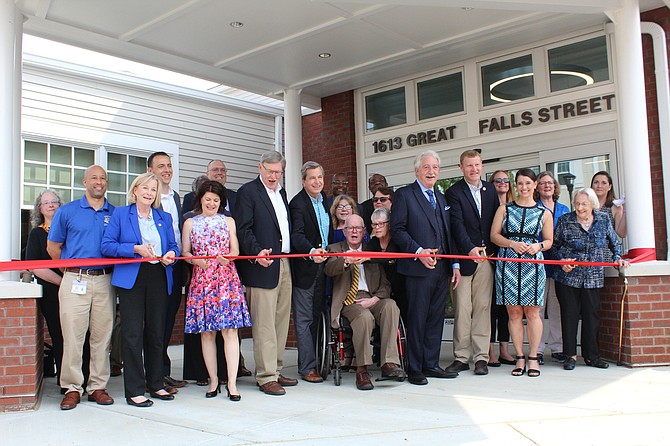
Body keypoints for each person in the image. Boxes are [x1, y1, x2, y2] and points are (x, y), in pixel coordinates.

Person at [101, 173, 179, 407]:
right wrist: (135, 249)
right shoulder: (121, 214)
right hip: (132, 278)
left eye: (153, 189)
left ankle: (155, 384)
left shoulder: (162, 217)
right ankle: (134, 389)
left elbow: (173, 246)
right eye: (145, 188)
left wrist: (171, 256)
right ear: (135, 190)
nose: (149, 192)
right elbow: (107, 246)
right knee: (133, 334)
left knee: (156, 332)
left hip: (158, 276)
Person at [47, 165, 116, 411]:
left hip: (105, 281)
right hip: (75, 281)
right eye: (94, 178)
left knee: (102, 337)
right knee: (73, 337)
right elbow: (53, 247)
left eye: (103, 178)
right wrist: (70, 271)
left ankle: (97, 386)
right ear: (85, 182)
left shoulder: (114, 212)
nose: (99, 182)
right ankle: (72, 388)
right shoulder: (67, 212)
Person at [391, 150, 461, 385]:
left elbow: (447, 232)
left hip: (441, 269)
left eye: (435, 167)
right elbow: (398, 230)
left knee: (435, 319)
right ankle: (415, 368)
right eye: (427, 167)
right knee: (418, 319)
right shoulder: (404, 195)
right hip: (417, 269)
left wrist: (454, 263)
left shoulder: (440, 198)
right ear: (417, 170)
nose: (432, 171)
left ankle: (431, 364)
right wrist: (418, 252)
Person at [234, 151, 298, 396]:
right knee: (264, 325)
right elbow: (243, 229)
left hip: (284, 263)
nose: (273, 176)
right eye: (269, 171)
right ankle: (265, 375)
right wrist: (257, 252)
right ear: (259, 167)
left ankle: (276, 368)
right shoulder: (248, 192)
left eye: (278, 172)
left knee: (281, 321)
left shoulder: (281, 193)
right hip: (261, 264)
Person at [182, 180, 251, 401]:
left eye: (216, 200)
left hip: (226, 279)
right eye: (208, 199)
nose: (211, 203)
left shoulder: (228, 221)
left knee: (230, 332)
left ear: (221, 202)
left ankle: (231, 382)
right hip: (202, 281)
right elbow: (185, 252)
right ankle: (213, 380)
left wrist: (227, 257)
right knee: (207, 333)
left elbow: (236, 250)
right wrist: (196, 262)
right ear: (200, 199)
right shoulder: (190, 222)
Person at [552, 187, 629, 371]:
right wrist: (562, 261)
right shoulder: (565, 221)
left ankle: (591, 356)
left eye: (584, 204)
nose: (579, 208)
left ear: (592, 204)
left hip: (593, 276)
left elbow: (614, 243)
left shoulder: (602, 220)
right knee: (569, 316)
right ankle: (570, 355)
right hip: (568, 277)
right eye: (577, 204)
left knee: (591, 316)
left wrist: (618, 258)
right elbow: (554, 247)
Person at [324, 214, 405, 390]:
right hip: (349, 301)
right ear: (344, 231)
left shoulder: (372, 249)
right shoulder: (334, 248)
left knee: (391, 306)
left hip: (373, 297)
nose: (354, 231)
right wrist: (345, 260)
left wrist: (375, 299)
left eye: (358, 228)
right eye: (350, 228)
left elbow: (385, 283)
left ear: (363, 231)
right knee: (364, 317)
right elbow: (329, 269)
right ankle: (362, 369)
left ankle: (389, 363)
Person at [491, 168, 553, 377]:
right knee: (514, 312)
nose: (524, 187)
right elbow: (494, 236)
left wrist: (539, 247)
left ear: (535, 185)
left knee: (533, 312)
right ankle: (519, 356)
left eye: (528, 183)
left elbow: (549, 240)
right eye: (520, 183)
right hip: (508, 264)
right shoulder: (504, 209)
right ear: (515, 186)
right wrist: (511, 243)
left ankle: (533, 357)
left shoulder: (544, 213)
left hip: (533, 265)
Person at [444, 150, 499, 376]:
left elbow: (495, 221)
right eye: (469, 166)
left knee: (483, 308)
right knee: (463, 309)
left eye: (477, 165)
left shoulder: (490, 190)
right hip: (464, 258)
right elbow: (456, 226)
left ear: (481, 165)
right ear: (461, 168)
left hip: (486, 258)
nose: (474, 169)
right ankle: (461, 357)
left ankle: (481, 357)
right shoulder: (453, 192)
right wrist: (469, 249)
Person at [146, 151, 187, 391]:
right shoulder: (148, 196)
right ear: (150, 170)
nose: (166, 170)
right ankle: (154, 375)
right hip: (154, 267)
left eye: (169, 166)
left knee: (169, 319)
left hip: (176, 264)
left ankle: (163, 370)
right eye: (161, 166)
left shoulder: (176, 197)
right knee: (155, 322)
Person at [289, 161, 332, 383]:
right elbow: (297, 236)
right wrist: (311, 250)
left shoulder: (324, 201)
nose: (317, 182)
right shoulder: (298, 204)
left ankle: (319, 361)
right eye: (312, 178)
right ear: (303, 181)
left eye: (320, 177)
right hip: (307, 267)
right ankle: (307, 368)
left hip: (324, 266)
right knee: (305, 319)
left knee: (318, 315)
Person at [26, 189, 64, 384]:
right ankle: (65, 382)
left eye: (54, 201)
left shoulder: (68, 231)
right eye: (46, 202)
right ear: (39, 209)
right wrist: (63, 282)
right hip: (51, 294)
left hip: (76, 292)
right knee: (59, 336)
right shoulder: (37, 234)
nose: (51, 205)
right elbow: (35, 266)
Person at [535, 171, 570, 365]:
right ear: (537, 187)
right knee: (538, 309)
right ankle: (537, 349)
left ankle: (558, 347)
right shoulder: (534, 208)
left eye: (550, 183)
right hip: (540, 263)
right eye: (543, 183)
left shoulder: (564, 209)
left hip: (559, 266)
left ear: (555, 187)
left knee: (556, 308)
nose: (547, 186)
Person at [487, 170, 515, 367]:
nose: (502, 183)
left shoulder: (514, 206)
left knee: (507, 308)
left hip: (511, 263)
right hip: (490, 260)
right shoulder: (487, 205)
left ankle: (505, 349)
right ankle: (490, 351)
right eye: (498, 181)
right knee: (491, 308)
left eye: (506, 180)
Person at [367, 207, 407, 321]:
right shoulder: (373, 242)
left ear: (389, 224)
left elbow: (390, 256)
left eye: (380, 224)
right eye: (374, 225)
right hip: (380, 289)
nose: (377, 228)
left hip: (400, 287)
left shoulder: (396, 240)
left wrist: (368, 258)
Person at [591, 171, 627, 238]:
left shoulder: (615, 207)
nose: (599, 186)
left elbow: (621, 233)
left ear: (609, 187)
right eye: (596, 182)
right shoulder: (586, 205)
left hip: (608, 247)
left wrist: (625, 210)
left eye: (604, 183)